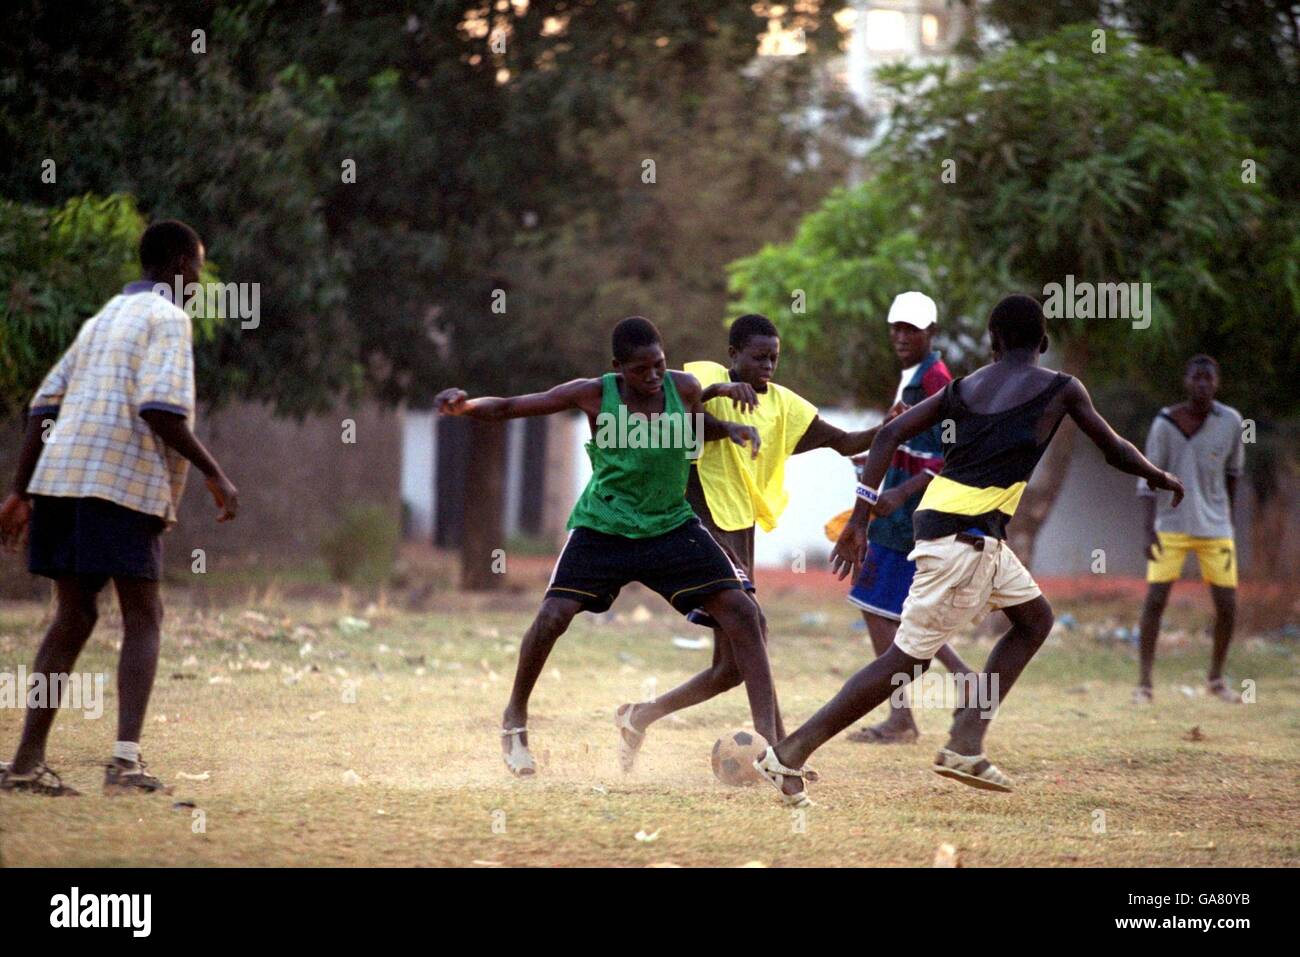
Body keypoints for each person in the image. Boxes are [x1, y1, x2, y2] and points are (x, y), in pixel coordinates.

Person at [751, 294, 1185, 806]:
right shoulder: (1062, 388)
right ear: (1043, 343)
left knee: (1035, 620)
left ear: (993, 342)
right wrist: (1158, 476)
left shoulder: (966, 386)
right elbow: (1114, 451)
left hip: (973, 535)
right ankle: (789, 754)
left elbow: (889, 433)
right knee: (904, 661)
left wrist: (862, 514)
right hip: (963, 539)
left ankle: (964, 741)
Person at [434, 316, 786, 777]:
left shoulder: (683, 387)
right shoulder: (595, 393)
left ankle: (776, 751)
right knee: (553, 617)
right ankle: (515, 717)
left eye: (659, 365)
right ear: (618, 367)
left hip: (669, 524)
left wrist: (736, 431)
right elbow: (514, 406)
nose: (653, 376)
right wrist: (466, 406)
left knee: (743, 613)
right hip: (605, 524)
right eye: (641, 370)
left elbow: (699, 425)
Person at [0, 219, 240, 797]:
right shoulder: (168, 318)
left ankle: (25, 764)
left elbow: (43, 406)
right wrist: (216, 474)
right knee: (144, 617)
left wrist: (20, 490)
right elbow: (159, 410)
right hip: (119, 483)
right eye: (198, 270)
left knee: (73, 618)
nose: (198, 282)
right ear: (180, 264)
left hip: (62, 481)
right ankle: (125, 765)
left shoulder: (102, 318)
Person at [612, 313, 895, 768]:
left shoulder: (784, 405)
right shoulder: (706, 375)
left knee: (729, 668)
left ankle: (638, 717)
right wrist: (722, 391)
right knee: (753, 625)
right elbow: (681, 408)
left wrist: (890, 426)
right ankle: (779, 749)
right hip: (696, 521)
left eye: (773, 358)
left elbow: (844, 441)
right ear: (733, 355)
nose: (767, 366)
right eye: (758, 357)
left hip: (739, 531)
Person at [844, 292, 973, 745]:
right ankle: (965, 681)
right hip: (901, 514)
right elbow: (912, 444)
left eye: (911, 328)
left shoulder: (936, 383)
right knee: (901, 612)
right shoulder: (913, 379)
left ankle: (901, 717)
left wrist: (899, 491)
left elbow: (952, 456)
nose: (901, 335)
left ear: (931, 332)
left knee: (878, 609)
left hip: (907, 518)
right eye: (896, 327)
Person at [1134, 355, 1245, 703]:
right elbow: (1148, 478)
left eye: (1208, 378)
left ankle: (1216, 679)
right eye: (1196, 378)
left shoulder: (1230, 421)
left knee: (1227, 605)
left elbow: (1233, 472)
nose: (1202, 384)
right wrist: (1148, 529)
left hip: (1216, 527)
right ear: (1186, 381)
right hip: (1171, 524)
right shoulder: (1165, 423)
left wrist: (1225, 514)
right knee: (1155, 602)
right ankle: (1145, 685)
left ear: (1217, 383)